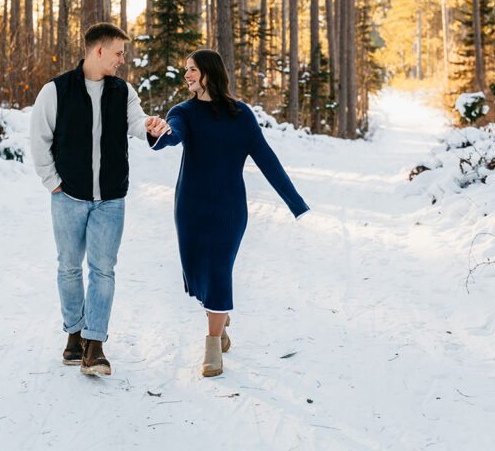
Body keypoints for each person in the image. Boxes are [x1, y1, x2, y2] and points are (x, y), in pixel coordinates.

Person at [147, 48, 310, 378]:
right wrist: (159, 132)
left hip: (229, 209)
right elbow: (173, 135)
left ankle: (211, 349)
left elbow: (267, 160)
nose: (187, 75)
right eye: (186, 70)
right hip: (190, 208)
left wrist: (296, 203)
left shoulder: (241, 115)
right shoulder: (184, 111)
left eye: (193, 70)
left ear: (210, 72)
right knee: (198, 274)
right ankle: (219, 322)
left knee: (219, 272)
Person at [30, 22, 164, 376]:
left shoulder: (123, 91)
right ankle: (74, 336)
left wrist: (149, 126)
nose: (123, 60)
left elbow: (136, 123)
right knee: (69, 268)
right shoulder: (55, 90)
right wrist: (53, 183)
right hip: (68, 197)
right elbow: (39, 139)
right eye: (119, 53)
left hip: (111, 199)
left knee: (103, 270)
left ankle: (95, 345)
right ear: (99, 51)